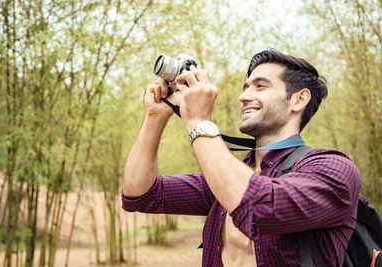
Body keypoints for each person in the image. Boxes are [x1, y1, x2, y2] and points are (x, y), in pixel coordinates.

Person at [122, 49, 361, 266]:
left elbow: (260, 206)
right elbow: (141, 194)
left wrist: (198, 122)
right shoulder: (225, 177)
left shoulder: (333, 168)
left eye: (260, 86)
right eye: (246, 87)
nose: (243, 96)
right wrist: (155, 117)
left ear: (299, 99)